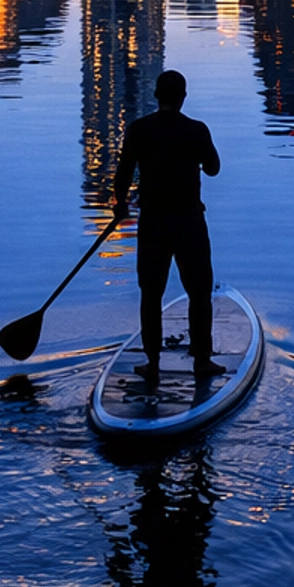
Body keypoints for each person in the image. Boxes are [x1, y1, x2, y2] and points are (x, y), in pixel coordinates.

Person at [112, 70, 222, 380]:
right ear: (183, 97)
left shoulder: (138, 130)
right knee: (199, 292)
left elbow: (122, 176)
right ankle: (202, 360)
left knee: (151, 294)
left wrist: (120, 205)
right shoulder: (196, 130)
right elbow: (213, 169)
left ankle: (152, 362)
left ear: (156, 96)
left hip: (153, 223)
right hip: (189, 222)